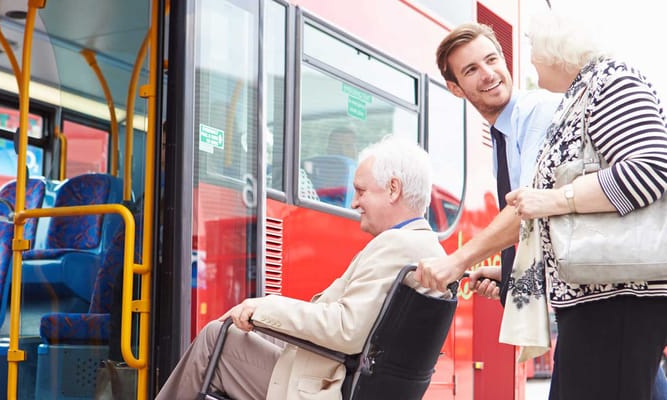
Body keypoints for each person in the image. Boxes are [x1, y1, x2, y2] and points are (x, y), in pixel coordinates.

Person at [154, 135, 449, 400]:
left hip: (324, 385)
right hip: (340, 374)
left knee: (215, 337)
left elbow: (346, 330)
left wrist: (264, 306)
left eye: (361, 191)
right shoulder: (429, 249)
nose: (355, 203)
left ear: (393, 189)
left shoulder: (397, 244)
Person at [504, 11, 667, 399]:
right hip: (600, 297)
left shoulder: (611, 82)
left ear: (553, 49)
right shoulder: (585, 92)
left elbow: (650, 168)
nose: (529, 59)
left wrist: (553, 199)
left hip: (619, 298)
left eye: (531, 48)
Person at [414, 22, 560, 304]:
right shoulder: (502, 136)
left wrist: (458, 260)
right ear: (455, 89)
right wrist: (508, 272)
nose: (488, 74)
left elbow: (532, 205)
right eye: (471, 70)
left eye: (491, 60)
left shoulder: (535, 112)